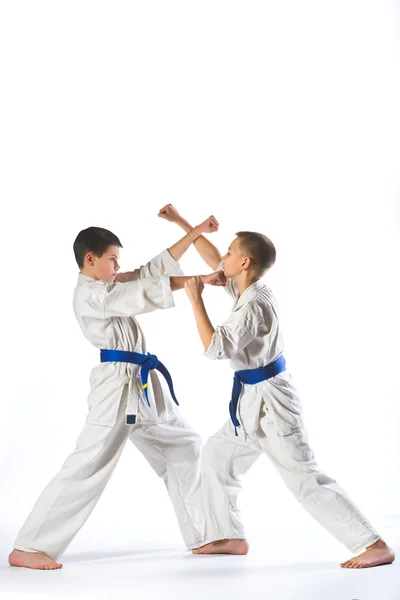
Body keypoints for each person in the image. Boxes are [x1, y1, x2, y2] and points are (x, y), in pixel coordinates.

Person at [9, 215, 225, 570]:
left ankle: (204, 534)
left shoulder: (109, 284)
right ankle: (31, 545)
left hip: (141, 384)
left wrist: (194, 233)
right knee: (89, 462)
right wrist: (197, 281)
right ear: (90, 260)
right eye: (112, 259)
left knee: (183, 445)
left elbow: (149, 272)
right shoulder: (92, 293)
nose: (118, 265)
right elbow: (139, 291)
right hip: (117, 388)